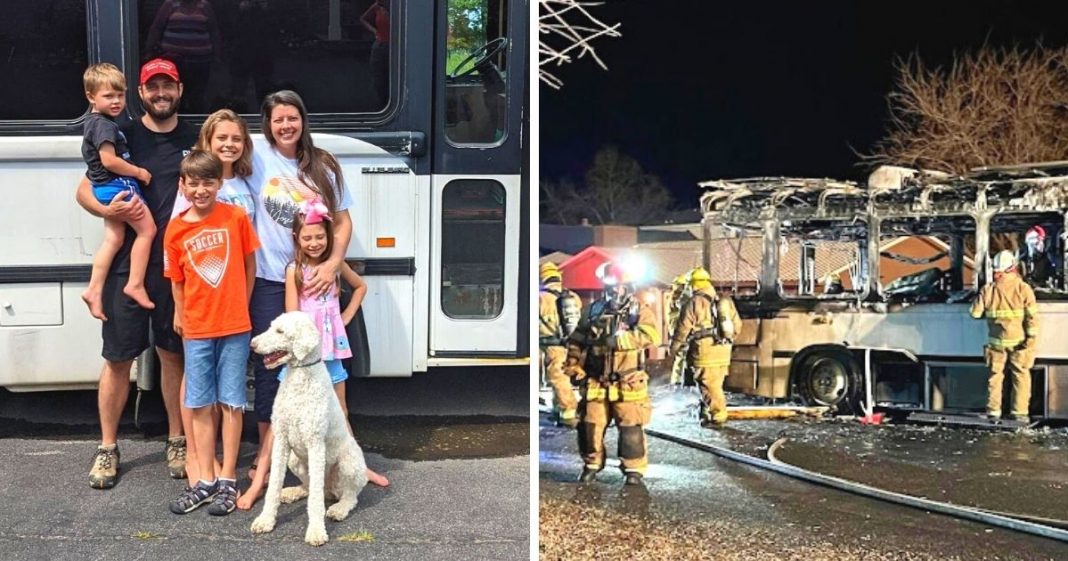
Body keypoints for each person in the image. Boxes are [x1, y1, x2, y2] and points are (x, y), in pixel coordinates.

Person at [76, 58, 198, 489]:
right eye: (152, 87)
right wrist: (105, 209)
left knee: (172, 355)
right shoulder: (121, 133)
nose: (161, 93)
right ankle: (107, 448)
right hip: (128, 265)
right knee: (117, 359)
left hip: (176, 270)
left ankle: (178, 439)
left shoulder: (195, 139)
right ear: (142, 93)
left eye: (168, 86)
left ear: (179, 89)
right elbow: (84, 189)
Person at [240, 90, 360, 510]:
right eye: (277, 120)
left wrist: (332, 266)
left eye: (292, 118)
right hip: (273, 278)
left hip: (316, 280)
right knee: (270, 367)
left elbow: (342, 221)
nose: (286, 126)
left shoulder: (323, 164)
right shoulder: (254, 160)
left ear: (302, 120)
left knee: (327, 373)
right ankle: (266, 457)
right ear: (267, 124)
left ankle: (346, 461)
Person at [239, 202, 388, 507]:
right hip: (302, 355)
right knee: (282, 418)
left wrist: (344, 317)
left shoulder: (334, 266)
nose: (314, 243)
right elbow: (292, 315)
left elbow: (359, 287)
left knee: (340, 409)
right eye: (307, 238)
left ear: (328, 237)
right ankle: (260, 480)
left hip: (330, 350)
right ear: (297, 239)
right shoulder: (294, 271)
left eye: (320, 237)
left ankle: (357, 465)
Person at [164, 150, 258, 515]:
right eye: (194, 183)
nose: (201, 190)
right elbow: (177, 280)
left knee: (232, 401)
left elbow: (250, 265)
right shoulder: (176, 228)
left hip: (234, 325)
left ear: (220, 184)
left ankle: (228, 479)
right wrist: (180, 313)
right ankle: (205, 478)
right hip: (198, 327)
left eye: (209, 182)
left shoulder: (235, 217)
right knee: (200, 402)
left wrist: (243, 304)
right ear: (183, 187)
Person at [564, 261, 660, 486]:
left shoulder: (640, 311)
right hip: (596, 381)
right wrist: (573, 364)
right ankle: (591, 465)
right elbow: (576, 339)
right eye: (612, 287)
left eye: (621, 287)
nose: (616, 291)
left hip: (628, 382)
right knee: (589, 426)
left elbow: (651, 335)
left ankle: (633, 470)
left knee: (630, 429)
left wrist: (617, 340)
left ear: (630, 287)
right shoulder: (592, 310)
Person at [79, 62, 156, 320]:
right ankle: (135, 283)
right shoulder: (105, 126)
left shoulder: (94, 123)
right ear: (91, 96)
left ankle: (93, 289)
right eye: (108, 96)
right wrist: (139, 172)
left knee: (114, 239)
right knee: (147, 230)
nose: (116, 102)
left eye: (120, 95)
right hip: (117, 187)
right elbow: (109, 161)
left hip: (104, 189)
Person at [970, 250, 1039, 422]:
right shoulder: (1024, 289)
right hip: (1020, 342)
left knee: (995, 377)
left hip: (996, 343)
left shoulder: (988, 290)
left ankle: (993, 412)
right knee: (1020, 376)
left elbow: (975, 314)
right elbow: (1032, 317)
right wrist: (1030, 340)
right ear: (1013, 268)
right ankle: (1020, 413)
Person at [669, 267, 742, 427]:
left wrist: (673, 348)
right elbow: (737, 326)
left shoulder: (693, 302)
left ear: (693, 285)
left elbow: (682, 329)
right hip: (723, 350)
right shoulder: (724, 301)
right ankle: (708, 412)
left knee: (708, 384)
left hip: (704, 351)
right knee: (716, 384)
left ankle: (718, 416)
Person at [538, 262, 580, 428]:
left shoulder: (541, 298)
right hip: (568, 344)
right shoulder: (572, 296)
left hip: (551, 346)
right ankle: (558, 409)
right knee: (557, 378)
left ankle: (569, 413)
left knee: (558, 378)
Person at [666, 271, 692, 387]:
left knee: (680, 357)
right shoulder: (678, 297)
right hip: (680, 330)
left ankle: (677, 382)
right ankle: (678, 383)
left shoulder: (673, 296)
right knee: (682, 357)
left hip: (676, 330)